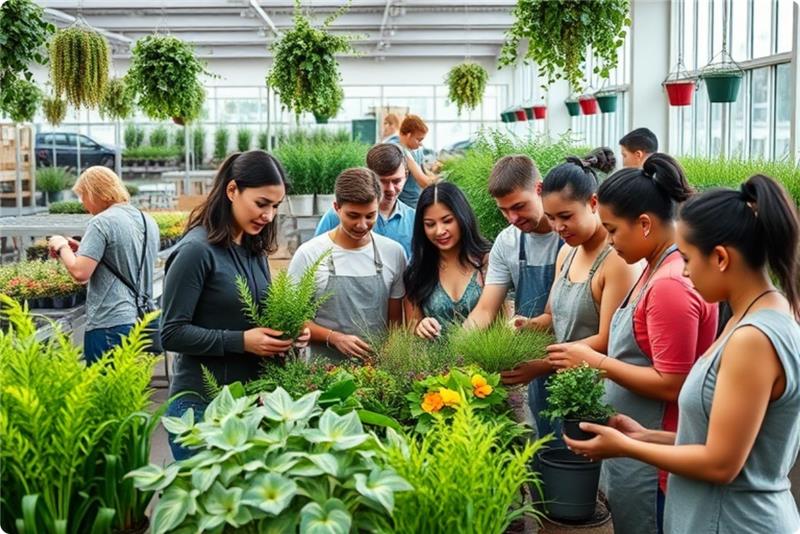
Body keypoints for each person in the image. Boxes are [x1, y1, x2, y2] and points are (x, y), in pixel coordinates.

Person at [566, 174, 800, 534]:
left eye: (689, 259)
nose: (685, 272)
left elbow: (721, 463)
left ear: (720, 258)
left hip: (734, 520)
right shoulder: (758, 315)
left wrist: (628, 448)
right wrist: (642, 436)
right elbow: (725, 443)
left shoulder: (753, 338)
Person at [547, 153, 718, 534]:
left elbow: (673, 382)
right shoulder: (655, 268)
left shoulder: (671, 284)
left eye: (612, 230)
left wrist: (594, 361)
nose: (608, 240)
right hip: (638, 444)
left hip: (655, 461)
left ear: (644, 224)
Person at [160, 150, 309, 460]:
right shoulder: (195, 251)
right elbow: (171, 333)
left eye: (275, 206)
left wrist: (288, 335)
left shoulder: (254, 250)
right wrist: (242, 341)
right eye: (261, 203)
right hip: (200, 407)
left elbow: (255, 320)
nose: (268, 215)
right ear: (232, 191)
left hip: (248, 406)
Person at [501, 156, 637, 444]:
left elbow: (609, 340)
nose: (558, 227)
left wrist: (543, 365)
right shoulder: (567, 252)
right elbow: (553, 317)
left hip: (598, 396)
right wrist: (528, 325)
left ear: (593, 203)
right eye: (551, 218)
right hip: (564, 390)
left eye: (566, 216)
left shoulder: (617, 260)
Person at [463, 154, 562, 439]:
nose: (513, 218)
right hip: (530, 369)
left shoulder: (570, 236)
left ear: (539, 189)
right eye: (504, 211)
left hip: (579, 359)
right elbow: (485, 309)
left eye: (519, 206)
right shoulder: (508, 241)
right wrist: (459, 350)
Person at [289, 167, 407, 361]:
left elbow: (395, 323)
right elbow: (293, 320)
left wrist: (388, 358)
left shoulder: (393, 253)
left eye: (370, 216)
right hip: (321, 373)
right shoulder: (309, 254)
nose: (362, 225)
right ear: (336, 208)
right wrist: (334, 338)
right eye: (353, 216)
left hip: (377, 371)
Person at [47, 166, 159, 364]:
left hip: (109, 324)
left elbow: (80, 273)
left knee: (104, 391)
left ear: (96, 192)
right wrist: (84, 248)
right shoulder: (147, 220)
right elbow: (124, 258)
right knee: (130, 390)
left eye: (83, 196)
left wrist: (62, 245)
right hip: (141, 322)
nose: (83, 204)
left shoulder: (101, 222)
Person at [404, 182, 491, 338]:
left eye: (447, 221)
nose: (439, 231)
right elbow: (411, 331)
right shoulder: (417, 271)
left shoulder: (486, 261)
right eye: (430, 224)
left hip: (486, 359)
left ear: (462, 217)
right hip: (435, 360)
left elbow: (506, 320)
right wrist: (420, 327)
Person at [315, 143, 415, 258]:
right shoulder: (337, 216)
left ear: (406, 176)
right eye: (382, 181)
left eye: (396, 181)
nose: (390, 189)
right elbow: (316, 256)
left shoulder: (413, 219)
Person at [391, 114, 437, 208]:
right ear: (408, 135)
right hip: (405, 205)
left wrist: (434, 176)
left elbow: (424, 172)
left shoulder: (416, 151)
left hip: (417, 202)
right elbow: (423, 181)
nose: (420, 144)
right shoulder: (399, 151)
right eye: (418, 139)